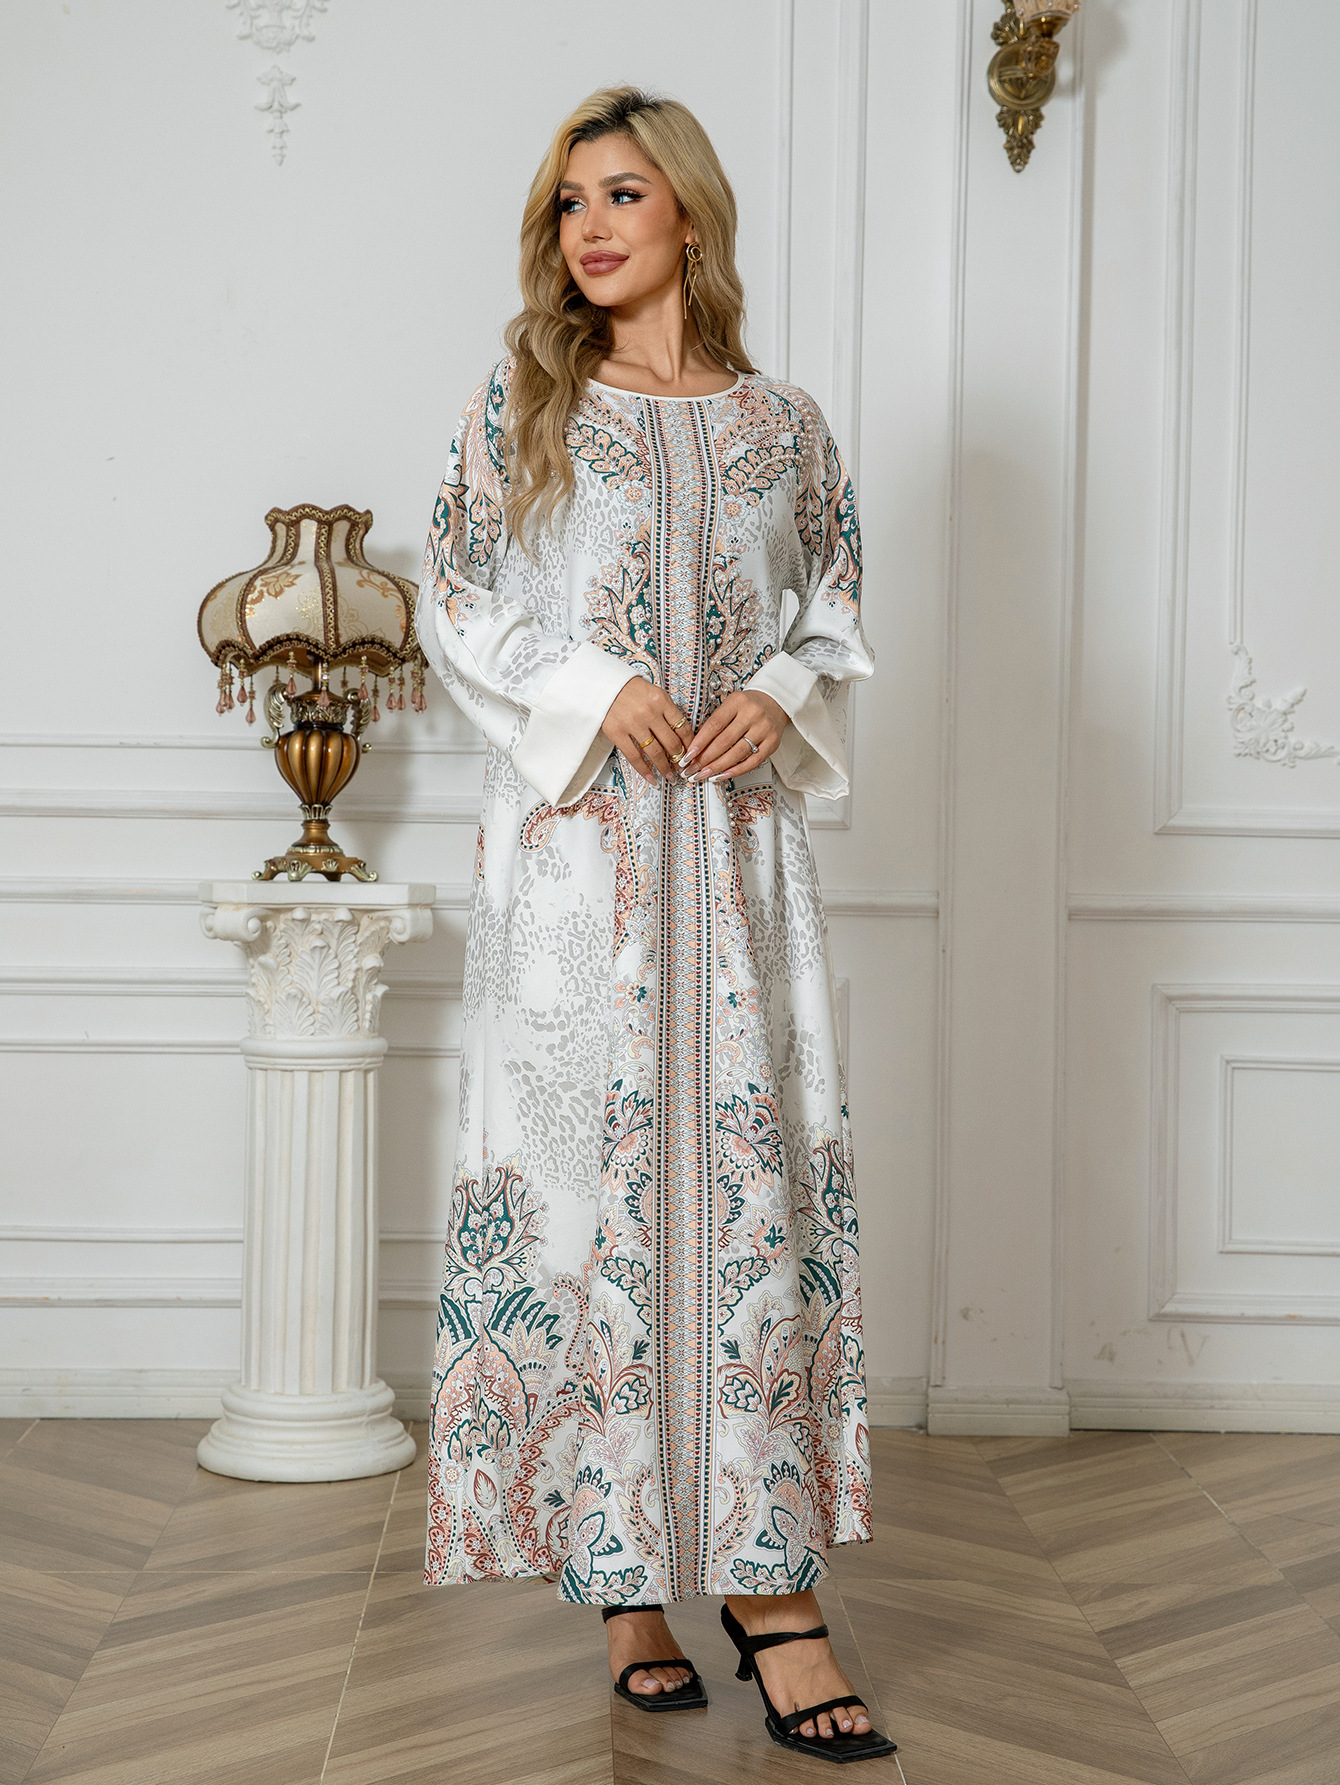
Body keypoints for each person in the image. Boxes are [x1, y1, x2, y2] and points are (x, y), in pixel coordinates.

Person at [416, 85, 892, 1764]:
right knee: (595, 1199)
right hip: (578, 874)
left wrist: (778, 692)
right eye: (569, 203)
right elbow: (458, 592)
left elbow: (833, 605)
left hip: (737, 864)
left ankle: (770, 1586)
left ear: (689, 209)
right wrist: (591, 682)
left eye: (623, 193)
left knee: (742, 1195)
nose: (592, 227)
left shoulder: (787, 427)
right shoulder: (525, 406)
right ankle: (626, 1584)